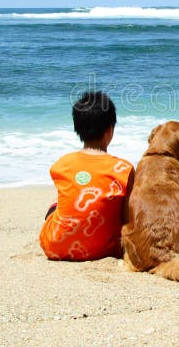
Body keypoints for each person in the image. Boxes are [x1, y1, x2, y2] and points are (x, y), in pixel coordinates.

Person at [39, 91, 134, 261]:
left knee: (56, 205)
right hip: (104, 250)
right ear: (110, 130)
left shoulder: (63, 163)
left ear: (77, 129)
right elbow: (128, 220)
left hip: (54, 247)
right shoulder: (123, 169)